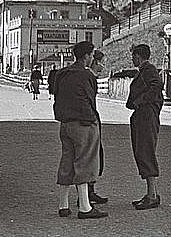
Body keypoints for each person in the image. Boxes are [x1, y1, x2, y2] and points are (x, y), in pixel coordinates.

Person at [53, 41, 108, 219]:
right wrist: (92, 121)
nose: (92, 58)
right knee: (84, 162)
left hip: (65, 123)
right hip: (83, 123)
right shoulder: (86, 75)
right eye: (91, 55)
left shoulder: (62, 73)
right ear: (86, 56)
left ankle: (63, 205)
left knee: (67, 160)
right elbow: (90, 100)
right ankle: (85, 207)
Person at [127, 44, 164, 210]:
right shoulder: (144, 70)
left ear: (139, 56)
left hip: (146, 115)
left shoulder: (149, 70)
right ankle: (152, 193)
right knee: (142, 151)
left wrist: (140, 100)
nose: (132, 59)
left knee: (145, 151)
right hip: (143, 115)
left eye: (134, 56)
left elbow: (156, 86)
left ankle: (152, 195)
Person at [85, 49, 108, 205]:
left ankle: (90, 190)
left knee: (95, 155)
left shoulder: (90, 76)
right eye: (99, 63)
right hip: (88, 119)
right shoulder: (87, 76)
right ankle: (85, 193)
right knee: (89, 155)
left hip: (92, 117)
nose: (101, 67)